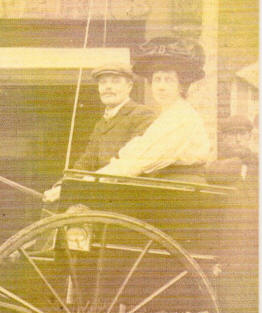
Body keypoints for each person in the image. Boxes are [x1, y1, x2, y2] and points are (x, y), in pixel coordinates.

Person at [96, 37, 211, 182]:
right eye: (157, 79)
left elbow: (140, 161)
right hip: (167, 185)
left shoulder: (181, 117)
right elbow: (135, 155)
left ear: (181, 85)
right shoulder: (166, 116)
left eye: (168, 80)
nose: (161, 87)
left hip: (181, 190)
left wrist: (93, 180)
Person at [43, 62, 156, 202]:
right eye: (103, 83)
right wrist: (62, 185)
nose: (108, 87)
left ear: (129, 86)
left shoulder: (142, 114)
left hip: (128, 196)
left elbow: (131, 162)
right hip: (103, 194)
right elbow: (86, 161)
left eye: (115, 82)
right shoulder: (101, 124)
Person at [207, 115, 259, 313]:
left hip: (256, 248)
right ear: (224, 139)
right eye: (232, 135)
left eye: (242, 135)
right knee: (232, 306)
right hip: (231, 250)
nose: (237, 139)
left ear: (250, 136)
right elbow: (211, 173)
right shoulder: (219, 169)